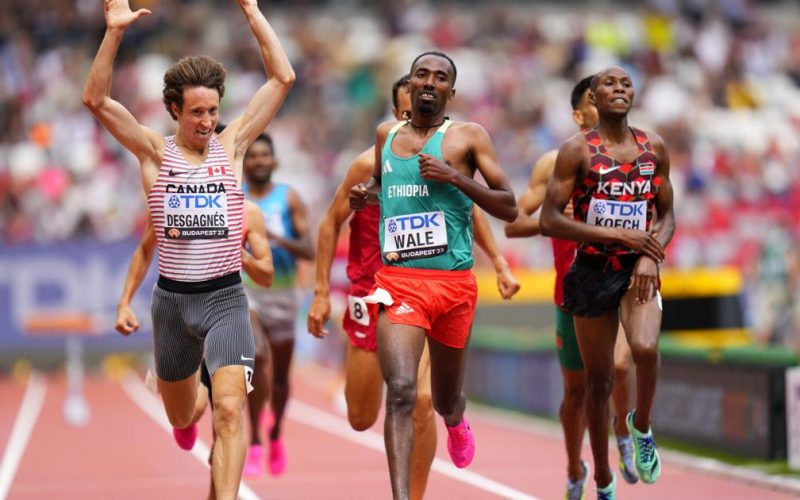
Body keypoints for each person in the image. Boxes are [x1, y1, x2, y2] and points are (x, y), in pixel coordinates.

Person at [83, 0, 294, 496]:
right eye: (197, 112)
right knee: (187, 413)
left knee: (228, 411)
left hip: (226, 299)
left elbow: (281, 78)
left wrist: (251, 10)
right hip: (173, 304)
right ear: (174, 109)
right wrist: (113, 33)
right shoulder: (154, 153)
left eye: (214, 111)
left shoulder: (234, 146)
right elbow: (95, 100)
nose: (207, 121)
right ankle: (185, 405)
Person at [307, 74, 520, 500]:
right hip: (372, 292)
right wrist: (319, 291)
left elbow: (473, 212)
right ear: (395, 113)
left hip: (430, 285)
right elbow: (332, 222)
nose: (416, 109)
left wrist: (498, 262)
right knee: (361, 416)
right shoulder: (374, 156)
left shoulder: (456, 146)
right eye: (406, 106)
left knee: (420, 398)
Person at [540, 66, 676, 499]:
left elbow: (668, 215)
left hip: (638, 270)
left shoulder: (653, 147)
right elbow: (550, 219)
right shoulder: (576, 151)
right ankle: (601, 478)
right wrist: (619, 235)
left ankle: (642, 426)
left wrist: (650, 254)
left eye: (627, 83)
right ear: (593, 100)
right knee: (597, 384)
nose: (619, 88)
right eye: (609, 84)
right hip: (591, 273)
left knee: (645, 349)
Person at [504, 76, 639, 499]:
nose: (606, 102)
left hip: (623, 280)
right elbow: (514, 223)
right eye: (593, 101)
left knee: (617, 368)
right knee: (577, 390)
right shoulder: (555, 162)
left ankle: (622, 431)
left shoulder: (637, 153)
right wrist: (557, 215)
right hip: (574, 292)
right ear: (580, 114)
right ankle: (574, 467)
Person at [115, 200, 275, 449]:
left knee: (229, 409)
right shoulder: (170, 202)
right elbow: (145, 250)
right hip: (182, 312)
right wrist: (124, 303)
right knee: (194, 408)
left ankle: (233, 471)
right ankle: (184, 419)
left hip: (224, 311)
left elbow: (266, 275)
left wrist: (240, 254)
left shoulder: (247, 211)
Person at [240, 132, 314, 477]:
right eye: (251, 155)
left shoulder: (289, 199)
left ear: (274, 161)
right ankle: (254, 440)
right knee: (255, 358)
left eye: (263, 155)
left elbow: (309, 250)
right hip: (247, 291)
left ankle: (275, 432)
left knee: (281, 377)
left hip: (283, 294)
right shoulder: (234, 198)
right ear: (245, 161)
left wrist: (275, 238)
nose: (257, 161)